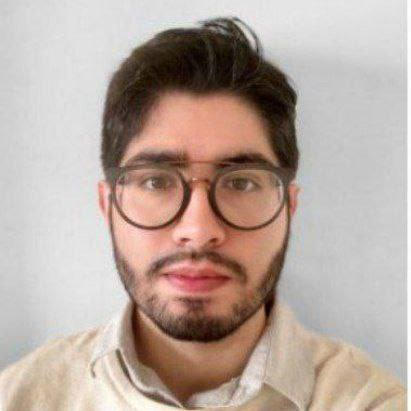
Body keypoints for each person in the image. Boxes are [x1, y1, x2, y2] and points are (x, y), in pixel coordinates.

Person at [0, 17, 405, 411]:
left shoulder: (372, 402)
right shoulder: (19, 397)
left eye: (241, 183)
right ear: (108, 206)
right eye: (156, 181)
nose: (198, 230)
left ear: (289, 206)